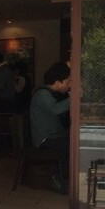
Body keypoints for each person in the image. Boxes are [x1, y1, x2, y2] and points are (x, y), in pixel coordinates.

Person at [29, 62, 71, 192]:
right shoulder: (42, 94)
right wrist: (74, 97)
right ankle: (56, 177)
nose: (69, 85)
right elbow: (56, 109)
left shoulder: (49, 93)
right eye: (68, 82)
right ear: (58, 82)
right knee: (72, 146)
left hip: (52, 135)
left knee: (74, 139)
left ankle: (64, 177)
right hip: (44, 138)